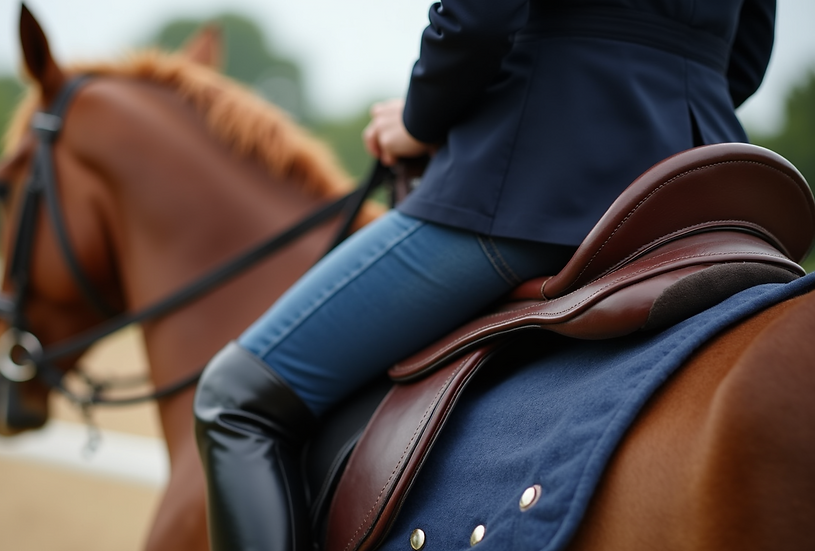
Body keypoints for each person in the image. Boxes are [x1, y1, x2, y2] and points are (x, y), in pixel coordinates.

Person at [193, 1, 776, 550]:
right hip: (692, 195)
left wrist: (420, 123)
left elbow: (476, 20)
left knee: (236, 399)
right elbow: (746, 58)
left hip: (535, 186)